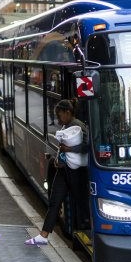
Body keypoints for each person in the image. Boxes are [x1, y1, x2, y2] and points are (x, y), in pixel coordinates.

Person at [25, 99, 90, 246]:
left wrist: (70, 150)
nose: (58, 119)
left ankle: (86, 234)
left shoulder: (78, 126)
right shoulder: (67, 125)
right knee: (54, 201)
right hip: (63, 169)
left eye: (59, 115)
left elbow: (87, 146)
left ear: (68, 112)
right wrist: (58, 157)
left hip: (76, 171)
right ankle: (43, 235)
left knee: (81, 204)